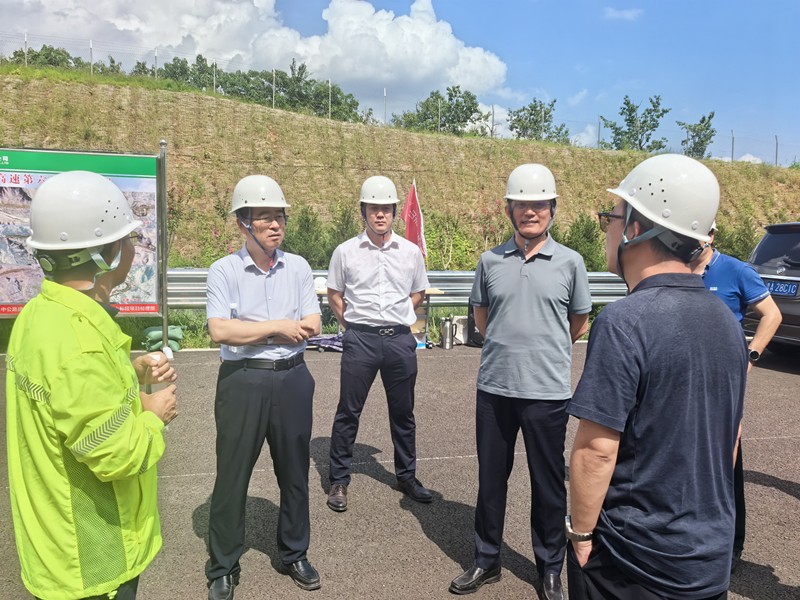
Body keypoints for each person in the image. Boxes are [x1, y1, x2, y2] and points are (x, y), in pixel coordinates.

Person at [566, 154, 748, 599]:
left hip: (635, 559)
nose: (606, 228)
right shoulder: (726, 320)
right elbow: (732, 435)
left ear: (634, 228)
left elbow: (596, 451)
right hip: (707, 559)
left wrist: (582, 535)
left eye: (611, 217)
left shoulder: (625, 321)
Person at [6, 170, 178, 600]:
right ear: (107, 254)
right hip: (92, 560)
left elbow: (69, 402)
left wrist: (129, 375)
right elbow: (118, 454)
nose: (132, 249)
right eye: (128, 240)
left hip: (54, 545)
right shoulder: (80, 345)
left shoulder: (39, 315)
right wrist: (153, 417)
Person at [449, 164, 592, 600]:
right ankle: (486, 559)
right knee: (491, 479)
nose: (531, 211)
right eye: (522, 204)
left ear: (552, 208)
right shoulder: (490, 260)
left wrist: (542, 349)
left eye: (539, 204)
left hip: (547, 393)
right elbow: (481, 318)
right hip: (495, 389)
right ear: (509, 209)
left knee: (547, 485)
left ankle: (549, 568)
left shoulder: (570, 262)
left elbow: (578, 322)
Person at [204, 175, 321, 599]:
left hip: (292, 377)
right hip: (243, 380)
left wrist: (254, 329)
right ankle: (223, 565)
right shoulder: (225, 270)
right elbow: (220, 330)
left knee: (294, 473)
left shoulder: (299, 267)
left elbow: (312, 324)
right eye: (265, 217)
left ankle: (294, 552)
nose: (275, 225)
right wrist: (277, 328)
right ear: (243, 223)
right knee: (232, 476)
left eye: (280, 217)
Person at [326, 175, 432, 513]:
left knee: (403, 412)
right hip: (361, 339)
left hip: (399, 339)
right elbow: (334, 294)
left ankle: (407, 476)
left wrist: (400, 314)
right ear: (364, 211)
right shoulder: (346, 251)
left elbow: (418, 291)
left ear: (394, 212)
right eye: (374, 208)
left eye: (386, 208)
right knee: (348, 411)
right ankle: (339, 479)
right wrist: (353, 325)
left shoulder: (410, 252)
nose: (380, 214)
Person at [691, 222, 782, 571]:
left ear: (712, 236)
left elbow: (771, 314)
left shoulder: (736, 270)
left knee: (725, 460)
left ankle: (731, 544)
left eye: (703, 233)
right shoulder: (677, 269)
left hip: (721, 381)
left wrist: (751, 356)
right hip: (683, 378)